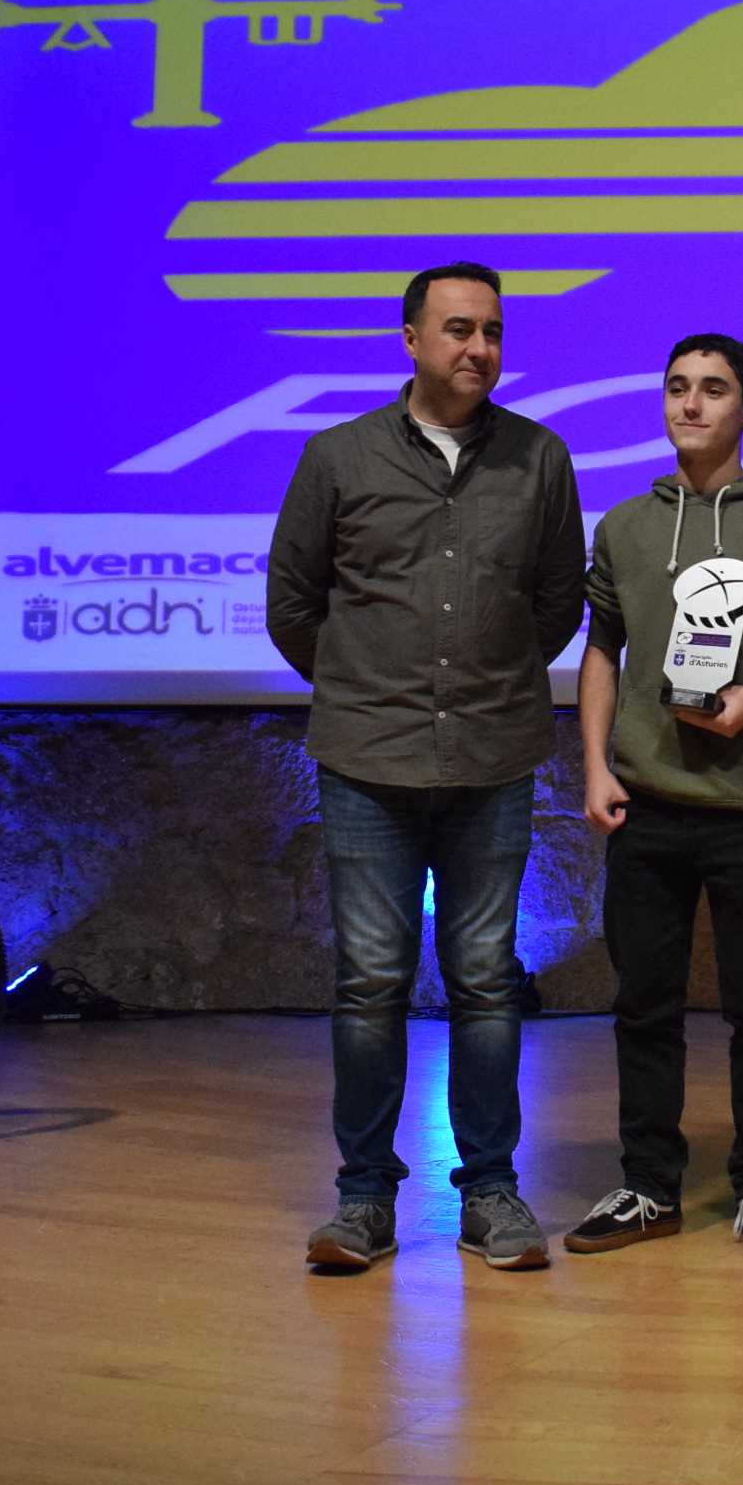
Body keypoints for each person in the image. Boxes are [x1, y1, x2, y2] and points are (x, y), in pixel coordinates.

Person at [267, 261, 586, 1274]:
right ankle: (362, 1200)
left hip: (493, 752)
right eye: (457, 329)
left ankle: (491, 1190)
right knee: (369, 983)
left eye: (491, 330)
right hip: (367, 758)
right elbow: (294, 602)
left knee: (487, 981)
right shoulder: (339, 455)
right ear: (410, 338)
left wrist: (480, 680)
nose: (477, 348)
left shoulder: (539, 459)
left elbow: (556, 603)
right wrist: (369, 684)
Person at [567, 334, 743, 1260]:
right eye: (677, 386)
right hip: (649, 800)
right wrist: (596, 765)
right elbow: (603, 649)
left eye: (714, 390)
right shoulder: (627, 525)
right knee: (643, 1004)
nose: (691, 404)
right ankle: (649, 1187)